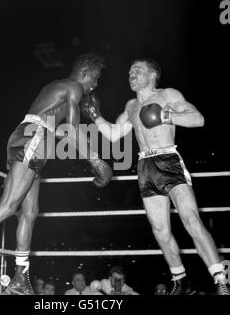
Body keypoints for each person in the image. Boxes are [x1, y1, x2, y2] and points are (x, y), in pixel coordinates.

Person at [0, 53, 112, 295]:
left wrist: (89, 121)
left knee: (30, 212)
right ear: (84, 72)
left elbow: (58, 129)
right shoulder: (73, 87)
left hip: (35, 138)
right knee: (9, 205)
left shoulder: (56, 88)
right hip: (33, 138)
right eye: (96, 77)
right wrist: (96, 160)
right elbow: (71, 130)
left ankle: (20, 277)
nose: (96, 84)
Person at [83, 58, 230, 295]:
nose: (131, 74)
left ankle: (220, 280)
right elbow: (113, 134)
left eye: (137, 70)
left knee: (191, 220)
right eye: (130, 71)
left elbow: (198, 119)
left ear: (152, 75)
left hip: (168, 159)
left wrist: (165, 117)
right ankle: (180, 280)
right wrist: (95, 115)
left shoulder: (167, 95)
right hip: (145, 165)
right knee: (160, 230)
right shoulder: (131, 105)